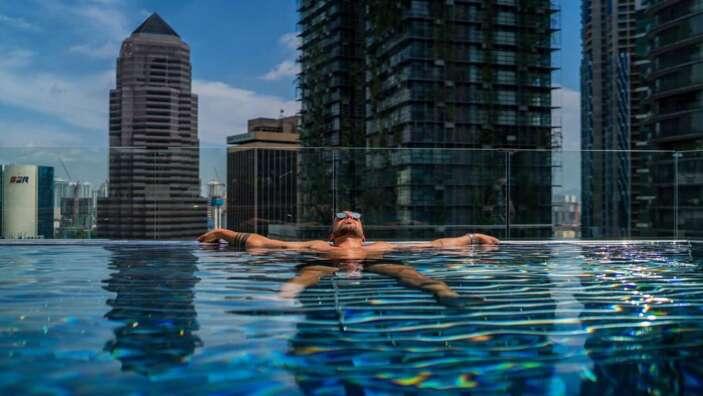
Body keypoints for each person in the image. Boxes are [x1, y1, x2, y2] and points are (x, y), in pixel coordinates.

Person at [198, 211, 499, 303]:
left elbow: (436, 245)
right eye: (342, 217)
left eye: (355, 217)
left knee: (417, 277)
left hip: (375, 263)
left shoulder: (377, 247)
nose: (349, 218)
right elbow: (267, 244)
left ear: (364, 233)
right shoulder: (320, 246)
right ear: (332, 233)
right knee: (304, 276)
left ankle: (448, 296)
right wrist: (224, 232)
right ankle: (283, 299)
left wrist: (472, 237)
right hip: (325, 263)